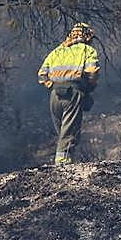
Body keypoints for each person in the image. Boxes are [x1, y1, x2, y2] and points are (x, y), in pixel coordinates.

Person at [36, 23, 100, 165]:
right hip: (73, 93)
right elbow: (92, 71)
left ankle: (66, 159)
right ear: (87, 36)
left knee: (62, 132)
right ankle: (63, 164)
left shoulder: (56, 51)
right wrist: (88, 88)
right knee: (69, 130)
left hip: (54, 95)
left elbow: (41, 75)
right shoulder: (87, 50)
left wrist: (52, 85)